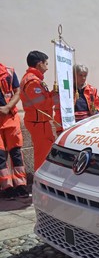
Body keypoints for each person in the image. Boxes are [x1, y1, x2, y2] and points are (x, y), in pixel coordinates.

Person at [20, 51, 59, 171]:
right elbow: (41, 105)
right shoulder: (33, 82)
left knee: (45, 152)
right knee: (42, 156)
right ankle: (40, 180)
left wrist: (53, 94)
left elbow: (43, 100)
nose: (47, 68)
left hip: (40, 122)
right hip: (38, 123)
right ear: (39, 64)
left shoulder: (34, 80)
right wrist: (56, 97)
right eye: (46, 64)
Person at [0, 62, 28, 199]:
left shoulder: (9, 72)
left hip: (10, 117)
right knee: (0, 156)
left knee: (16, 152)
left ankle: (21, 185)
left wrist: (8, 107)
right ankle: (7, 188)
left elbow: (18, 92)